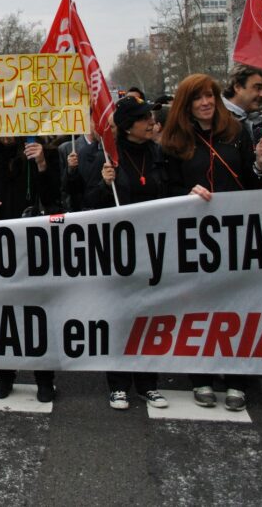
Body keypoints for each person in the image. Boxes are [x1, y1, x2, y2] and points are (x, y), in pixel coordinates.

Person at [161, 74, 262, 411]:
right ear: (186, 104)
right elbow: (164, 192)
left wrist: (258, 163)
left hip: (234, 236)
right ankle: (201, 376)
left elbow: (254, 186)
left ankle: (237, 379)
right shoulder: (171, 142)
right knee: (198, 308)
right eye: (198, 98)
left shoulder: (237, 134)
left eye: (210, 95)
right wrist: (187, 194)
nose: (206, 102)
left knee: (234, 307)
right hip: (193, 240)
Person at [93, 97, 169, 411]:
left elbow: (172, 191)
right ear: (127, 126)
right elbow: (87, 205)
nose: (151, 122)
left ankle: (148, 384)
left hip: (152, 248)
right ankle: (119, 384)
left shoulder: (158, 153)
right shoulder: (110, 157)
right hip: (118, 251)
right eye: (144, 118)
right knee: (121, 317)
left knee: (149, 316)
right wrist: (102, 183)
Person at [0, 136, 59, 402]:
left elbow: (53, 199)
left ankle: (44, 378)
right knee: (3, 314)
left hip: (34, 246)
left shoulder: (45, 154)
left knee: (38, 314)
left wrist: (41, 164)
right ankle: (5, 374)